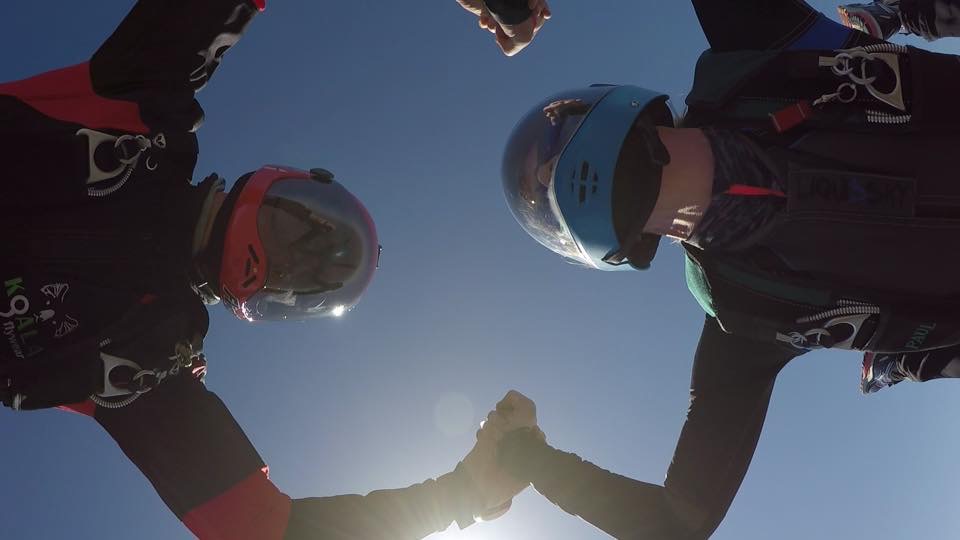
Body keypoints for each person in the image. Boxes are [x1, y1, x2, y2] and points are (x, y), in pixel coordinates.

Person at [0, 0, 550, 538]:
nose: (290, 251)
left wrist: (465, 492)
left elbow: (262, 531)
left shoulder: (151, 361)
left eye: (306, 267)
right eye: (302, 229)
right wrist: (465, 493)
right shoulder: (142, 113)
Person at [483, 0, 960, 538]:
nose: (552, 171)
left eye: (548, 147)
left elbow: (678, 523)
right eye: (541, 183)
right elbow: (678, 524)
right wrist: (530, 459)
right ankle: (904, 360)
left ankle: (900, 361)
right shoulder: (741, 314)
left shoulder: (753, 53)